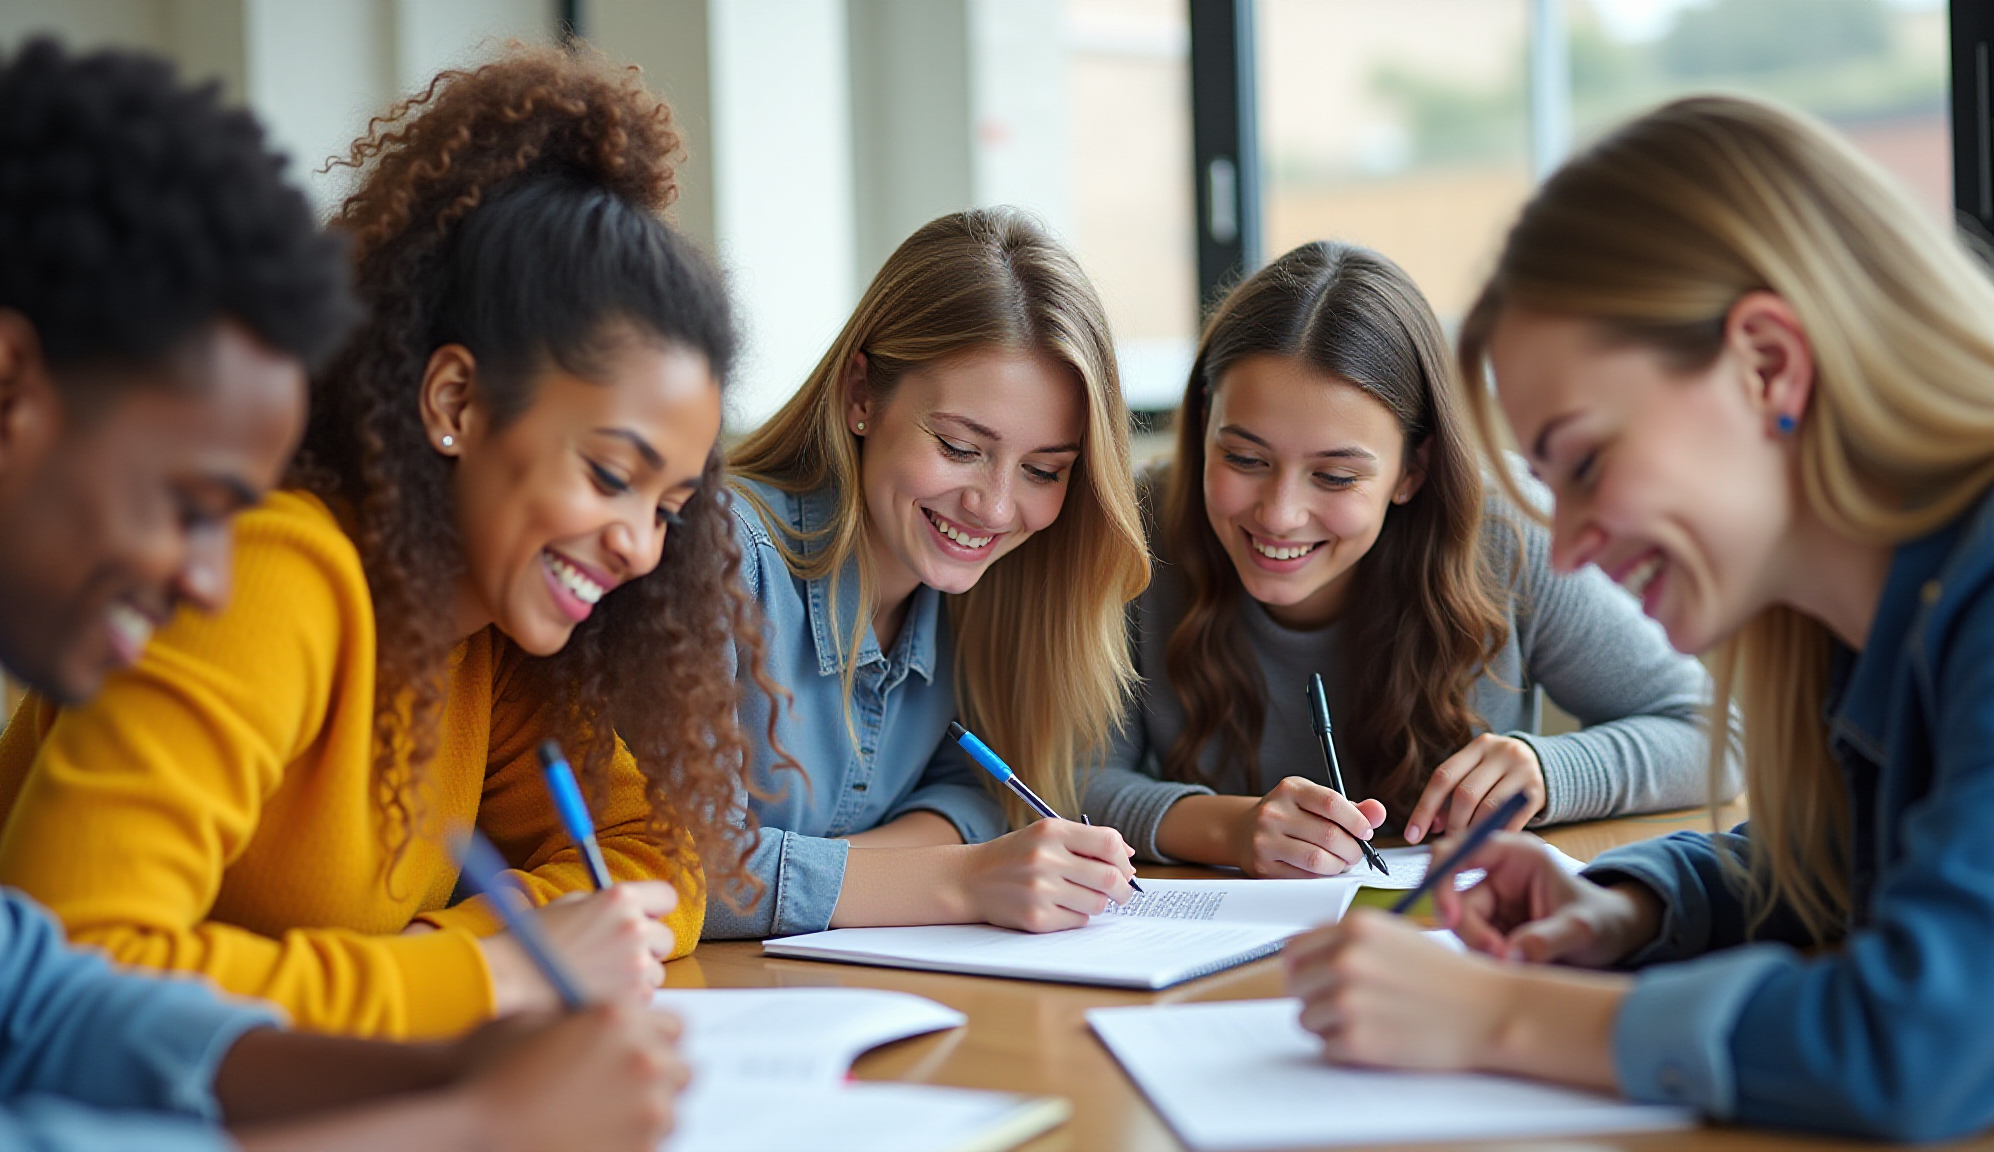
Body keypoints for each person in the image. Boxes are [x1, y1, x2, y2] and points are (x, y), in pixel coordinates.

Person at [0, 38, 685, 1151]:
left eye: (669, 504)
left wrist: (448, 1049)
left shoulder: (489, 638)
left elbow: (27, 1008)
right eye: (190, 502)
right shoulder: (280, 575)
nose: (206, 574)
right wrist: (468, 1097)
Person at [1285, 95, 1994, 1141]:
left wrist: (1499, 1017)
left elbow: (1922, 1041)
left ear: (1766, 365)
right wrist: (1632, 907)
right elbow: (1836, 868)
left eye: (1584, 462)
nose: (1566, 546)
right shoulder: (1858, 631)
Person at [1085, 241, 1733, 877]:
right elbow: (1061, 778)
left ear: (1411, 471)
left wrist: (1549, 770)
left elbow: (1716, 737)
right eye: (1245, 459)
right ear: (1203, 426)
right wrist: (1226, 828)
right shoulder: (1136, 530)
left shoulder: (1504, 533)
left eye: (1336, 477)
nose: (1280, 513)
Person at [708, 209, 1150, 938]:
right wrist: (959, 879)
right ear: (861, 397)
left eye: (1044, 470)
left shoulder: (972, 586)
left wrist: (837, 874)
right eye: (958, 445)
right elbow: (682, 871)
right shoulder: (722, 556)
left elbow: (976, 795)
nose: (996, 507)